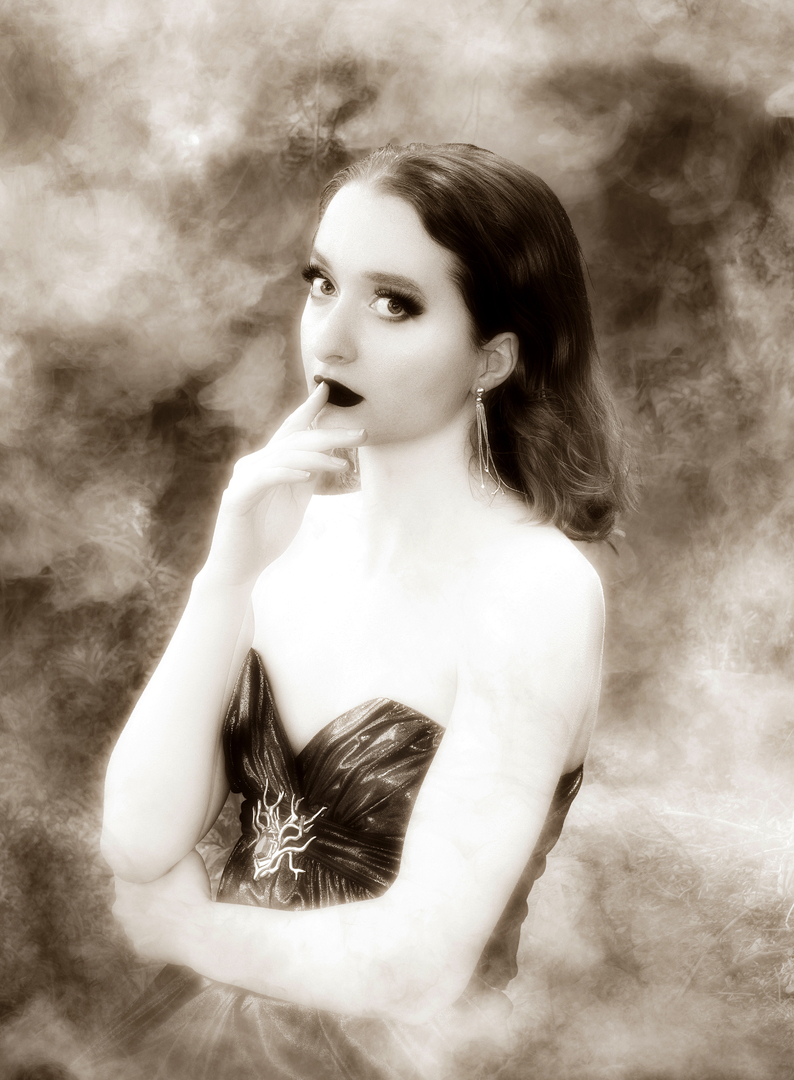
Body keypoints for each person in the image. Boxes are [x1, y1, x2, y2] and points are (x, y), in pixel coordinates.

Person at [87, 143, 631, 1080]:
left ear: (492, 357)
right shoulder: (285, 538)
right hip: (186, 1044)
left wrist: (185, 930)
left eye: (394, 304)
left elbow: (418, 971)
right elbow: (138, 840)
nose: (330, 341)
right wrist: (225, 577)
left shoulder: (538, 591)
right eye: (322, 284)